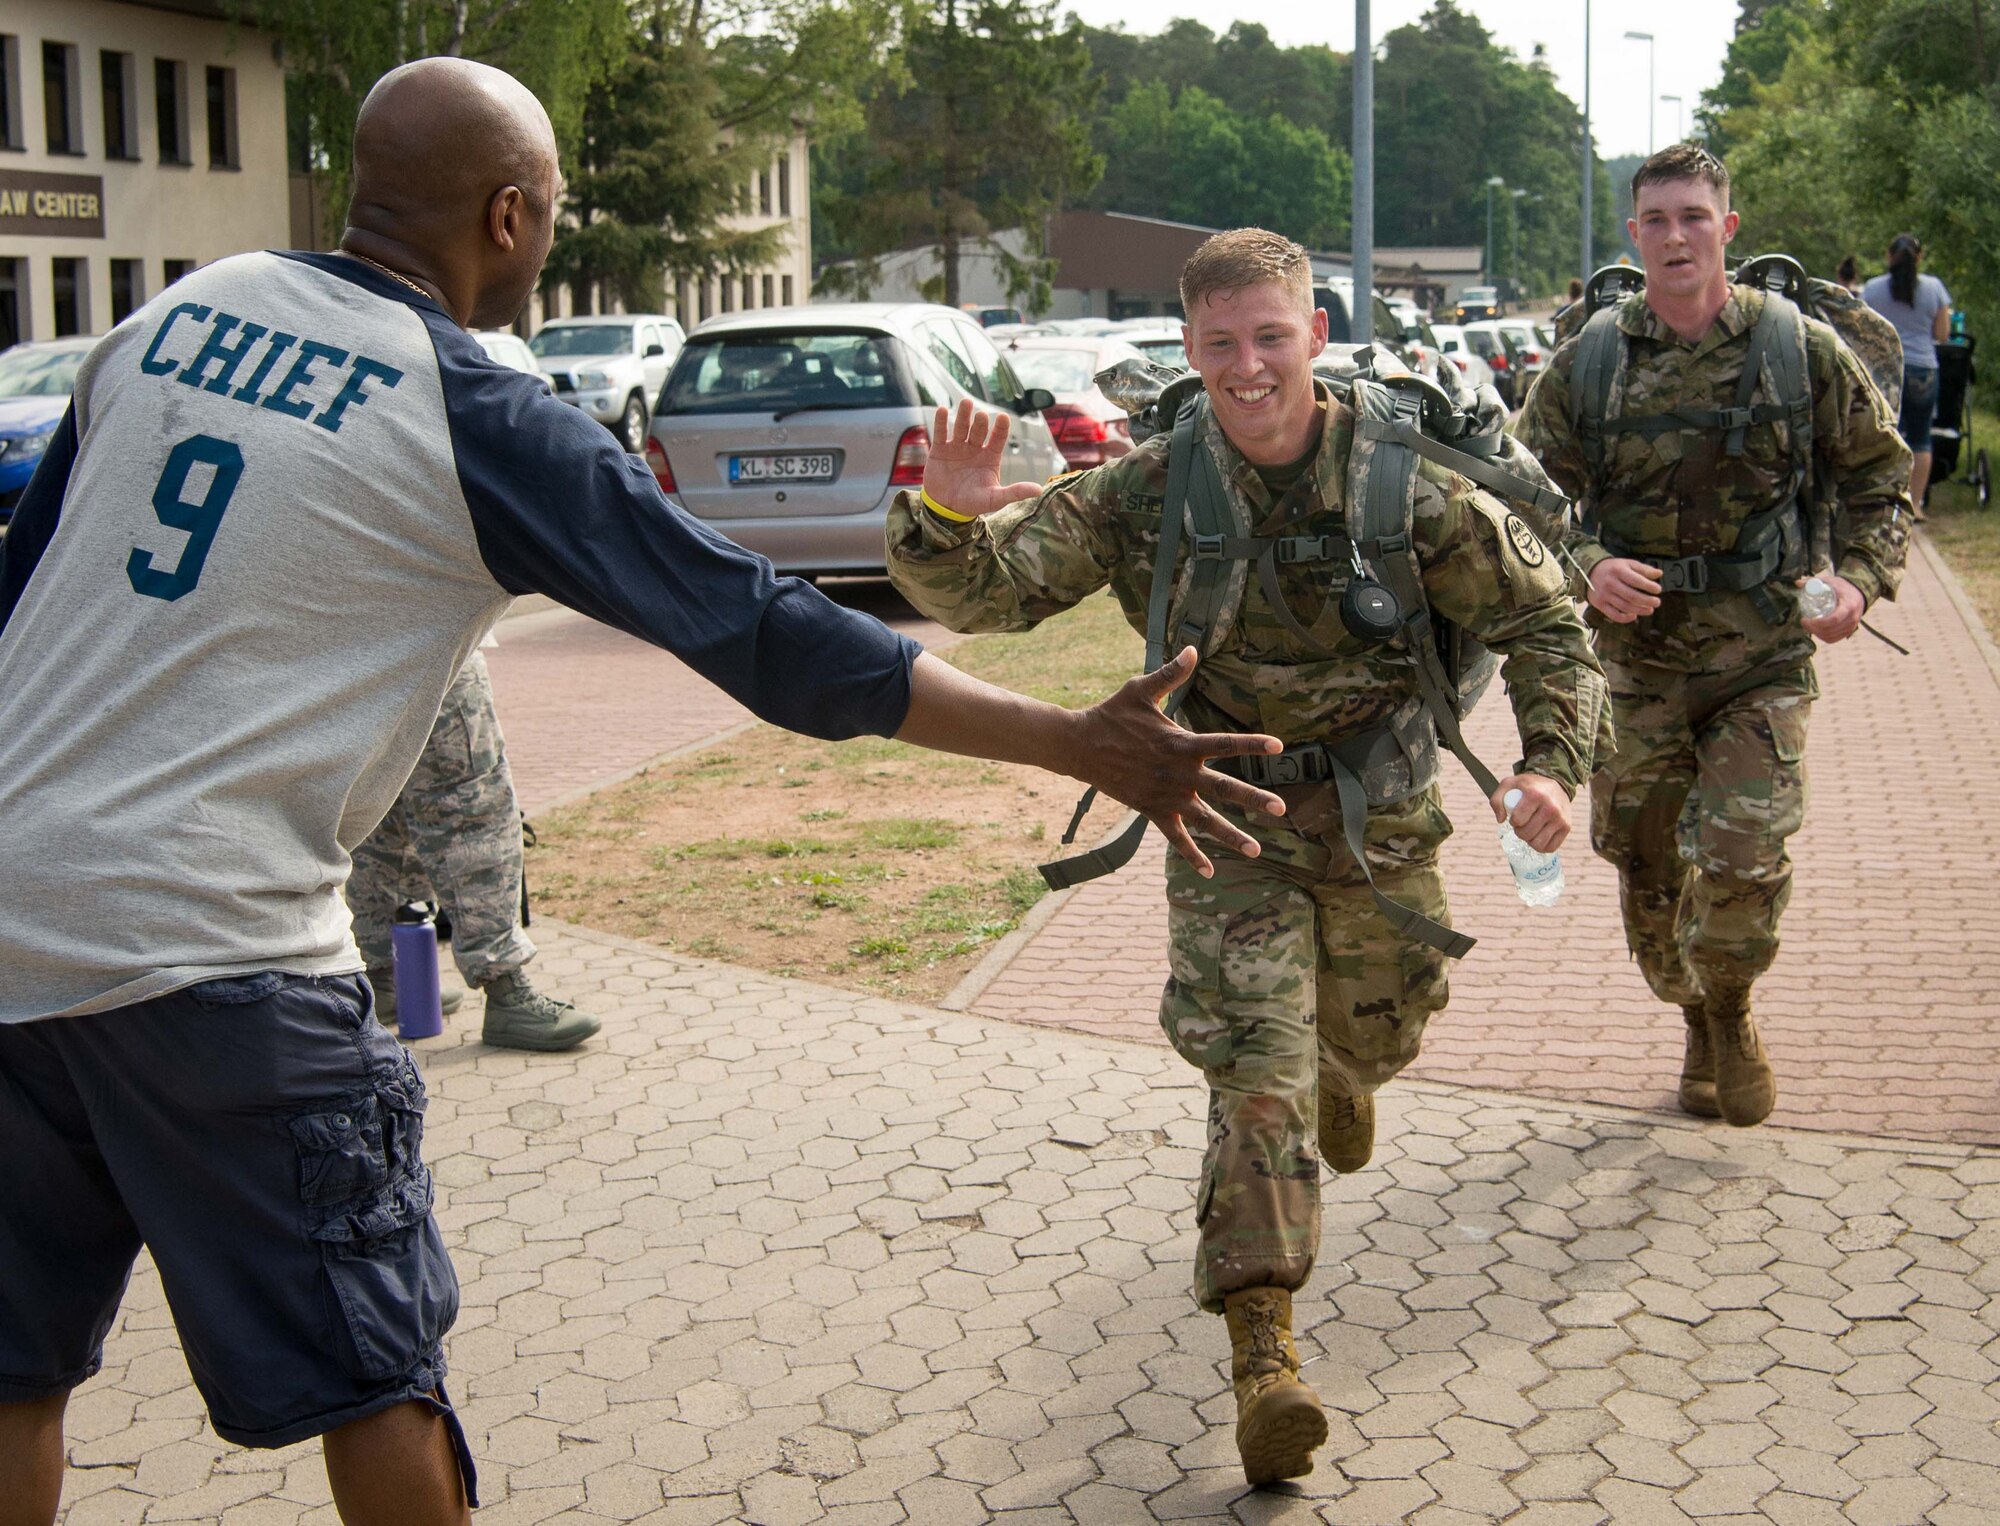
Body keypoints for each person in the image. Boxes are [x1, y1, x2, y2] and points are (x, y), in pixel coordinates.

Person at [0, 59, 1290, 1526]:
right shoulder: (473, 408)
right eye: (546, 219)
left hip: (7, 920)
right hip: (210, 949)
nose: (544, 246)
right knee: (376, 1372)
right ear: (506, 214)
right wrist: (1073, 739)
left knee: (13, 1360)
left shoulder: (170, 314)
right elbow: (761, 630)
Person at [886, 228, 1609, 1488]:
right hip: (1223, 819)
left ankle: (1352, 1065)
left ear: (1313, 335)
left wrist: (1550, 762)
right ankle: (1264, 1354)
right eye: (1219, 344)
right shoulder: (1149, 486)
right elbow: (989, 594)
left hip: (1379, 818)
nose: (1247, 366)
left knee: (1377, 1031)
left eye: (1269, 336)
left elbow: (1546, 618)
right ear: (1188, 349)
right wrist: (943, 511)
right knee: (1252, 1078)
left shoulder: (1404, 487)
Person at [1514, 144, 1910, 1131]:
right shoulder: (1591, 361)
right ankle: (1690, 1004)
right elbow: (1517, 506)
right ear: (1634, 234)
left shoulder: (1791, 349)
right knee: (1648, 872)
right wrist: (1586, 565)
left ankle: (1728, 1009)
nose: (1675, 234)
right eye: (1656, 219)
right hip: (1633, 671)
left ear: (1723, 227)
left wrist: (1855, 583)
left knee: (1740, 852)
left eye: (1693, 215)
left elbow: (1877, 478)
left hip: (1760, 660)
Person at [345, 648, 601, 1051]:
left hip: (352, 654)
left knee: (382, 805)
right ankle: (506, 991)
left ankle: (386, 977)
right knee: (471, 802)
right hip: (430, 637)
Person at [1863, 233, 1952, 518]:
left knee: (1885, 436)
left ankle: (1884, 502)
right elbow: (1942, 334)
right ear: (1920, 257)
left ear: (1889, 257)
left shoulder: (1872, 289)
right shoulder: (1934, 288)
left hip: (1883, 369)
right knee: (1921, 437)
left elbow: (1863, 332)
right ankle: (1915, 505)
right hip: (1923, 369)